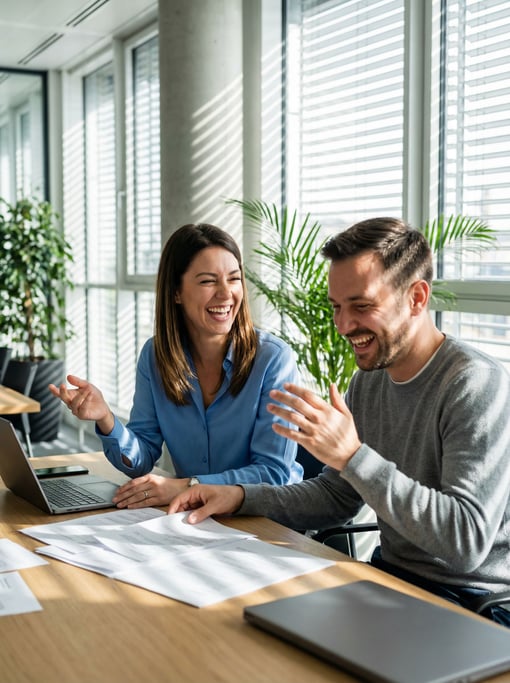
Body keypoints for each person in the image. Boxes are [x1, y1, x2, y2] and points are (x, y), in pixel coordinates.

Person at [169, 217, 510, 627]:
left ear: (417, 298)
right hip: (393, 581)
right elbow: (336, 497)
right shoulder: (369, 381)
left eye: (362, 306)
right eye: (337, 307)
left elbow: (465, 541)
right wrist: (240, 497)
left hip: (474, 605)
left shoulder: (474, 385)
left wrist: (353, 455)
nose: (344, 326)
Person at [50, 223, 303, 508]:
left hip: (264, 521)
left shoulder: (273, 360)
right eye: (208, 281)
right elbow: (142, 458)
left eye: (234, 279)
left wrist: (188, 487)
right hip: (196, 520)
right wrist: (106, 419)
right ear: (176, 292)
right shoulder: (156, 357)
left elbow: (273, 473)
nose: (225, 294)